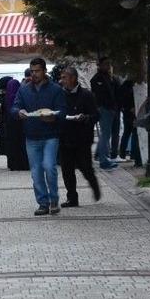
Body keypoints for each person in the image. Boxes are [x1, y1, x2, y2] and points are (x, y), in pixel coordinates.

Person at [11, 58, 66, 216]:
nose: (34, 74)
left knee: (49, 166)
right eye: (32, 71)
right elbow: (15, 106)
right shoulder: (24, 89)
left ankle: (54, 199)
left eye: (37, 71)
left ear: (44, 71)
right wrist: (18, 112)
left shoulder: (55, 89)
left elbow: (62, 111)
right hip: (32, 135)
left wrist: (54, 117)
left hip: (50, 135)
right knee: (36, 172)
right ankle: (43, 202)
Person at [58, 67, 102, 208]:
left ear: (73, 78)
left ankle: (94, 184)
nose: (62, 80)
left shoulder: (86, 95)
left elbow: (96, 115)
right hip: (65, 137)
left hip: (82, 138)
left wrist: (85, 117)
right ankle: (72, 198)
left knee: (85, 167)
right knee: (67, 170)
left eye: (64, 77)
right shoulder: (60, 95)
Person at [90, 57, 119, 170]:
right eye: (106, 64)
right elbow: (99, 96)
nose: (108, 66)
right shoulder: (97, 79)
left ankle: (104, 157)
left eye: (109, 64)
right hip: (104, 109)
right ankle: (104, 159)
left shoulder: (109, 77)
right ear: (100, 65)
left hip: (110, 108)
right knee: (105, 135)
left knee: (106, 135)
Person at [2, 76, 29, 171]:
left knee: (12, 144)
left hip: (9, 124)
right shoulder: (18, 97)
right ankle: (23, 164)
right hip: (19, 123)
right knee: (21, 144)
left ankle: (13, 164)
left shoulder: (6, 97)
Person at [117, 78, 144, 167]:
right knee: (134, 133)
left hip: (127, 112)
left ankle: (123, 153)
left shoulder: (124, 86)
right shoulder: (132, 87)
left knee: (127, 132)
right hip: (131, 112)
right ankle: (133, 154)